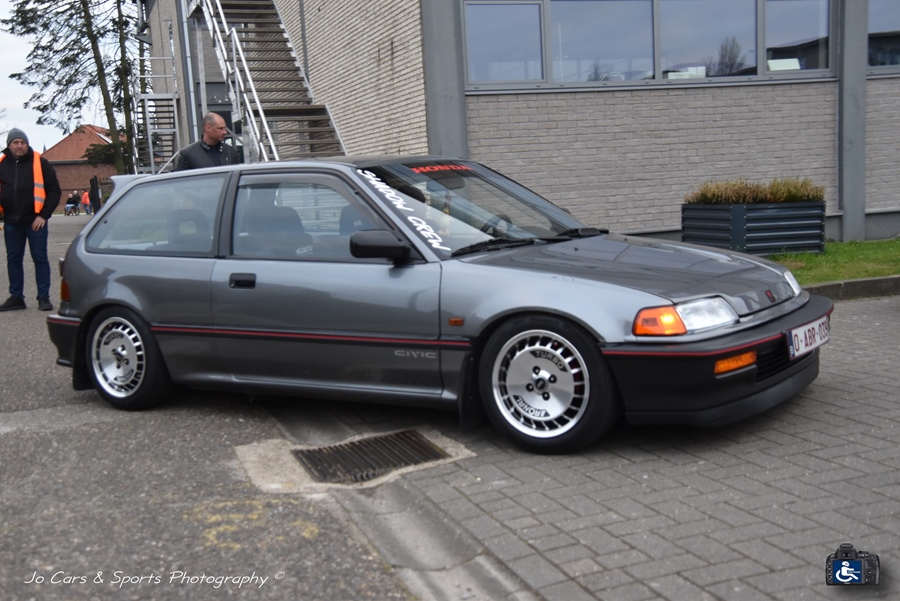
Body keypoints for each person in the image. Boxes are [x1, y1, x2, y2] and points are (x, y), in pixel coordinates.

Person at [0, 128, 62, 311]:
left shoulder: (41, 163)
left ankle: (43, 297)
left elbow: (54, 191)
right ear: (9, 145)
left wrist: (43, 216)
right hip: (11, 221)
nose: (19, 146)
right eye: (16, 142)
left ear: (27, 144)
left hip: (35, 221)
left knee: (40, 258)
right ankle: (16, 297)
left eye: (23, 142)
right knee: (13, 259)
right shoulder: (2, 164)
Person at [173, 112, 240, 171]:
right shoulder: (188, 154)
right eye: (220, 128)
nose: (225, 132)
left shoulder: (230, 152)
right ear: (208, 128)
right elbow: (180, 180)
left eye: (225, 128)